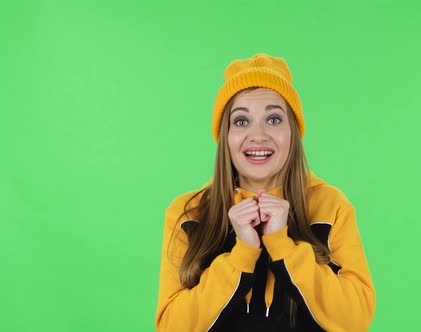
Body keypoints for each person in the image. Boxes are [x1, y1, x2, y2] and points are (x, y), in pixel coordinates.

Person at [155, 54, 375, 331]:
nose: (258, 135)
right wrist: (242, 253)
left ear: (292, 132)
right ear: (226, 136)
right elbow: (172, 327)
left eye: (273, 119)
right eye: (242, 121)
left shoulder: (331, 206)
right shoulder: (189, 213)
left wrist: (283, 246)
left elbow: (355, 320)